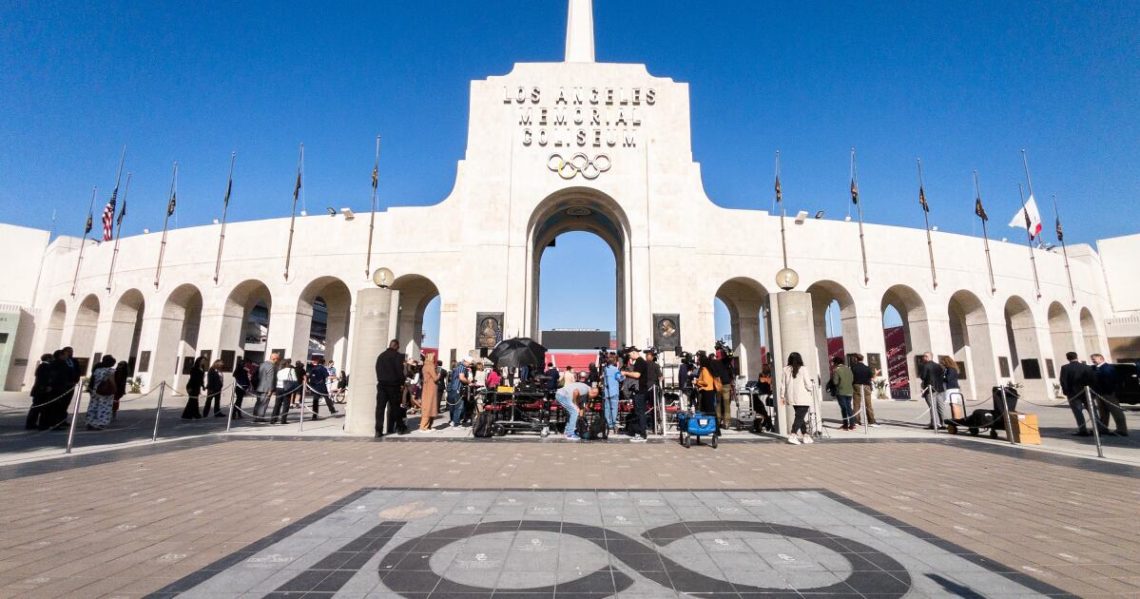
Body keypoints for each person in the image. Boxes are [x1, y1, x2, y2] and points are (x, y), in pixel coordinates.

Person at [622, 347, 657, 443]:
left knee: (640, 413)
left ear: (633, 353)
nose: (629, 357)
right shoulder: (639, 362)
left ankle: (642, 434)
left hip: (640, 391)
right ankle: (639, 433)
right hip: (639, 391)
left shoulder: (640, 362)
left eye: (629, 355)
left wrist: (625, 373)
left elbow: (637, 375)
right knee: (638, 412)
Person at [780, 352, 816, 445]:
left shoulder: (785, 369)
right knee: (799, 417)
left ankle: (805, 435)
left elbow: (783, 384)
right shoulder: (803, 369)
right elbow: (808, 384)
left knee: (800, 416)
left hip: (791, 397)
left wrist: (782, 396)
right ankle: (793, 434)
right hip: (803, 397)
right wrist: (812, 385)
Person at [1059, 352, 1097, 436]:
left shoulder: (1065, 368)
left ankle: (1082, 430)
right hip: (1087, 393)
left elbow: (1063, 381)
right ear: (1077, 357)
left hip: (1073, 394)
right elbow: (1093, 380)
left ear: (1067, 358)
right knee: (1092, 411)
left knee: (1078, 412)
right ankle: (1097, 429)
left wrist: (1066, 392)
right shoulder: (1086, 367)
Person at [1091, 353, 1128, 436]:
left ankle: (1122, 429)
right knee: (1103, 412)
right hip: (1099, 393)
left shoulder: (1107, 368)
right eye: (1092, 359)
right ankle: (1102, 428)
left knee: (1116, 411)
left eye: (1094, 359)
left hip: (1108, 394)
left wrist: (1109, 391)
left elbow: (1111, 381)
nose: (1093, 361)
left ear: (1101, 358)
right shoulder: (1095, 368)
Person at [374, 339, 405, 437]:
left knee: (380, 408)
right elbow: (400, 371)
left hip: (382, 385)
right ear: (396, 346)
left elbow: (377, 369)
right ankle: (399, 428)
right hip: (393, 386)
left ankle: (378, 430)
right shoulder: (398, 356)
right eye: (398, 347)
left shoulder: (381, 356)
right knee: (395, 408)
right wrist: (402, 383)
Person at [85, 355, 118, 430]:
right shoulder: (111, 371)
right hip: (106, 391)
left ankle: (90, 422)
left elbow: (93, 380)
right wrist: (115, 389)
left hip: (96, 390)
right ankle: (101, 423)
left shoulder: (97, 370)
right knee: (104, 407)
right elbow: (112, 381)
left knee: (93, 406)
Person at [25, 353, 55, 430]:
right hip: (41, 390)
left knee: (37, 407)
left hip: (40, 390)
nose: (53, 359)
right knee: (38, 407)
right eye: (51, 358)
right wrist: (46, 387)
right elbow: (43, 378)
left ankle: (32, 423)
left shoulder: (44, 366)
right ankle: (35, 424)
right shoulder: (44, 366)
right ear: (48, 358)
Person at [917, 352, 945, 429]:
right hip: (939, 388)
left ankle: (935, 424)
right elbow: (942, 376)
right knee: (940, 406)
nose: (923, 358)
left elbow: (923, 376)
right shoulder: (938, 366)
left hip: (930, 389)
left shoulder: (925, 366)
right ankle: (943, 423)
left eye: (924, 357)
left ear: (927, 357)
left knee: (932, 407)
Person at [709, 350, 733, 435]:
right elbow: (730, 357)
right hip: (726, 384)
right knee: (726, 403)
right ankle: (726, 422)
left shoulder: (713, 363)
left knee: (718, 403)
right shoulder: (725, 362)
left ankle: (718, 421)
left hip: (718, 384)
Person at [850, 354, 878, 427]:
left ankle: (856, 421)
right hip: (866, 386)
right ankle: (871, 421)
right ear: (862, 359)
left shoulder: (853, 368)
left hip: (856, 385)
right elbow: (872, 379)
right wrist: (876, 373)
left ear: (856, 359)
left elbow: (851, 378)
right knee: (868, 405)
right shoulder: (867, 368)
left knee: (856, 404)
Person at [695, 354, 721, 427]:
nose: (697, 361)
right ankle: (710, 427)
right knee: (710, 411)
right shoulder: (707, 369)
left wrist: (696, 382)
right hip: (709, 392)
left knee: (709, 412)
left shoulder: (704, 370)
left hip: (707, 392)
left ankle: (714, 427)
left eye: (699, 360)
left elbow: (705, 382)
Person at [830, 357, 855, 431]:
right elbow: (852, 379)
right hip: (849, 391)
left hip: (841, 391)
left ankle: (845, 425)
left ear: (836, 363)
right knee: (849, 407)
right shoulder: (849, 369)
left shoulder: (836, 370)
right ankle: (852, 424)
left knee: (843, 408)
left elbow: (835, 382)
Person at [271, 357, 298, 424]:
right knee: (286, 404)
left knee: (277, 404)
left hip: (278, 388)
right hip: (286, 388)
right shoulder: (291, 370)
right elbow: (294, 379)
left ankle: (273, 419)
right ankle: (283, 420)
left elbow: (277, 378)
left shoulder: (279, 370)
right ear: (288, 364)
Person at [419, 353, 440, 431]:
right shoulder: (430, 366)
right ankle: (423, 427)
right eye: (434, 357)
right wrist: (439, 374)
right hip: (431, 389)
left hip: (427, 388)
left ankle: (428, 426)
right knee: (429, 407)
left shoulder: (425, 366)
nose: (434, 359)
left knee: (429, 407)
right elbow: (435, 378)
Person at [602, 354, 623, 431]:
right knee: (613, 409)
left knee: (607, 408)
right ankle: (612, 424)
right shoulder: (615, 370)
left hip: (606, 392)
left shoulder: (604, 369)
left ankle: (607, 424)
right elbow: (619, 378)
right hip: (614, 392)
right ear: (614, 361)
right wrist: (623, 376)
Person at [255, 353, 279, 420]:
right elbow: (270, 379)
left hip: (259, 386)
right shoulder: (271, 366)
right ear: (274, 359)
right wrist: (270, 390)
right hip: (266, 388)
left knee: (258, 402)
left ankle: (255, 416)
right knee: (264, 403)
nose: (278, 361)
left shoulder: (262, 364)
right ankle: (260, 417)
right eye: (278, 359)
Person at [940, 356, 962, 420]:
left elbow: (948, 379)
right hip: (951, 388)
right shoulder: (948, 369)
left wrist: (941, 378)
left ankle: (956, 418)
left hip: (951, 388)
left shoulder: (951, 369)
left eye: (942, 362)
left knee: (954, 404)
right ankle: (954, 418)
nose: (942, 363)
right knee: (953, 404)